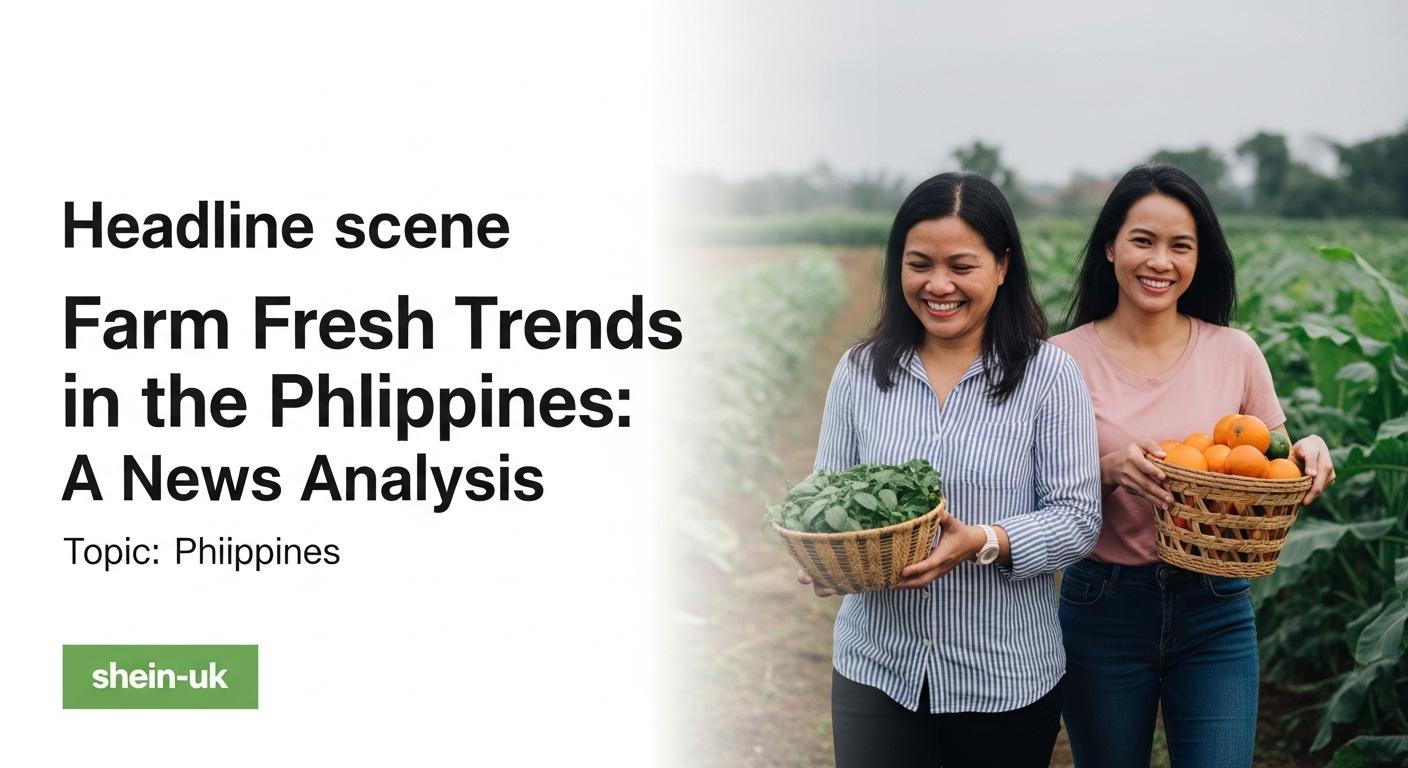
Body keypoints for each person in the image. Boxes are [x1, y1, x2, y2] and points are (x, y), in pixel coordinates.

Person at [796, 171, 1102, 767]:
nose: (939, 285)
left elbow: (1078, 518)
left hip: (1004, 677)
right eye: (919, 264)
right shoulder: (860, 372)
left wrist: (985, 541)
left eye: (962, 266)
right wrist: (825, 554)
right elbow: (825, 490)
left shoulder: (1049, 377)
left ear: (1002, 265)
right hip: (877, 669)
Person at [1051, 164, 1336, 768]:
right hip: (1102, 606)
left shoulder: (1234, 352)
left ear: (1200, 258)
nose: (1161, 261)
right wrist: (1106, 469)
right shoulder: (1060, 361)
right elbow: (1029, 492)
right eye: (1143, 240)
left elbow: (1267, 461)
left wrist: (1309, 448)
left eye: (1181, 246)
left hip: (1215, 607)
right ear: (1109, 247)